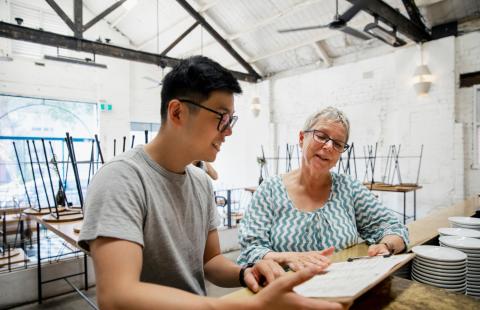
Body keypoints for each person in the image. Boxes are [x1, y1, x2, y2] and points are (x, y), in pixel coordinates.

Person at [78, 56, 342, 310]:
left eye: (231, 120)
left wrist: (246, 273)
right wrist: (232, 306)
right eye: (221, 117)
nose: (229, 131)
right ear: (178, 112)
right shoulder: (121, 179)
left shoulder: (200, 182)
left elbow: (211, 261)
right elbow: (117, 297)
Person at [238, 107, 409, 271]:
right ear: (301, 138)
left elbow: (393, 227)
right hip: (285, 291)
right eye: (321, 136)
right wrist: (288, 257)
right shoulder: (270, 190)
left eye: (337, 144)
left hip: (342, 290)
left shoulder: (349, 188)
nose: (328, 146)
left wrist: (386, 245)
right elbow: (251, 250)